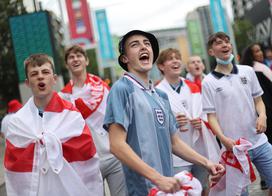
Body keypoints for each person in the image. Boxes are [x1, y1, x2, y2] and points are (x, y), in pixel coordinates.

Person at [103, 30, 224, 196]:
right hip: (141, 189)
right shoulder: (122, 89)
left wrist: (206, 163)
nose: (143, 47)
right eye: (135, 44)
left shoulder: (160, 96)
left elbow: (174, 142)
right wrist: (157, 178)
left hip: (166, 188)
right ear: (125, 58)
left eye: (147, 44)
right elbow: (116, 145)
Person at [4, 54, 103, 196]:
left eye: (45, 72)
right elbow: (13, 167)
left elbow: (87, 157)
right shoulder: (18, 122)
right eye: (34, 74)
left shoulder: (72, 116)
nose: (40, 77)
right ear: (27, 82)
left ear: (54, 79)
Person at [202, 32, 272, 195]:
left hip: (259, 142)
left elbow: (258, 101)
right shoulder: (208, 82)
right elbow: (211, 117)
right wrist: (223, 139)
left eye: (227, 41)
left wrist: (262, 116)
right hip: (234, 147)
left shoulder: (247, 71)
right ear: (211, 51)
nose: (225, 45)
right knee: (240, 193)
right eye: (219, 43)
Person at [59, 45, 126, 196]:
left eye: (79, 55)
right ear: (66, 64)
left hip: (113, 155)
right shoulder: (63, 97)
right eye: (71, 57)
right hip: (86, 162)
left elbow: (116, 117)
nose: (75, 59)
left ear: (86, 61)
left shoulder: (102, 88)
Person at [156, 48, 220, 196]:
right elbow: (156, 124)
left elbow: (207, 113)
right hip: (177, 156)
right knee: (182, 191)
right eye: (170, 59)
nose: (175, 61)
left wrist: (201, 122)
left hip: (199, 149)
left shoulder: (194, 87)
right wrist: (173, 123)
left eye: (177, 58)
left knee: (204, 188)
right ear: (161, 66)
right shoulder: (157, 92)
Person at [240, 43, 272, 190]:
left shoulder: (255, 68)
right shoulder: (256, 69)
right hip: (265, 112)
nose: (260, 53)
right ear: (250, 54)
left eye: (260, 50)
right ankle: (265, 179)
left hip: (263, 112)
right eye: (256, 51)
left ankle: (265, 179)